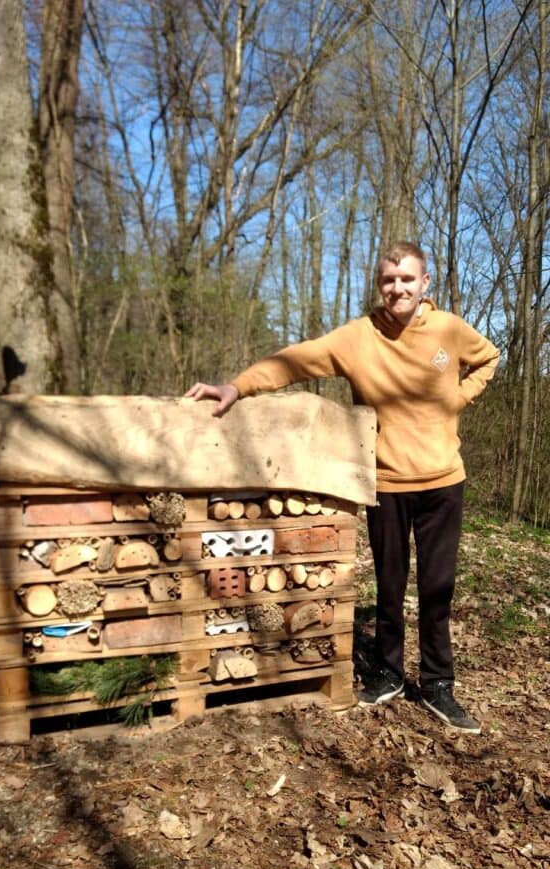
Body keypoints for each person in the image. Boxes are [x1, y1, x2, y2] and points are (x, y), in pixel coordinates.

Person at [185, 241, 500, 734]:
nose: (397, 288)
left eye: (407, 280)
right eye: (389, 280)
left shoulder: (449, 330)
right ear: (381, 285)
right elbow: (293, 362)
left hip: (443, 482)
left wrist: (458, 400)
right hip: (388, 482)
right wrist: (237, 386)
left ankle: (438, 684)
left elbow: (489, 358)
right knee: (391, 588)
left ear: (425, 284)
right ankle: (390, 673)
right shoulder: (359, 338)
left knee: (437, 590)